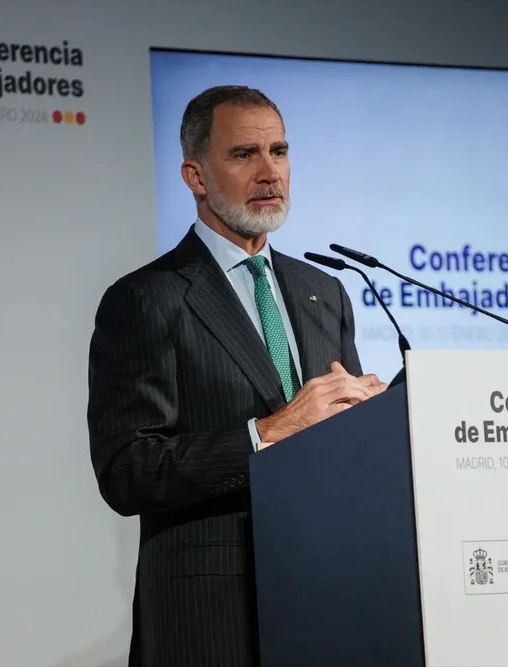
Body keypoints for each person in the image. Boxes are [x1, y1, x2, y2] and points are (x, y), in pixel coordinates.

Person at [86, 85, 386, 667]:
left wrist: (369, 422)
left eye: (279, 151)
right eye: (244, 155)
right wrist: (267, 434)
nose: (270, 172)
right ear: (195, 176)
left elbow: (337, 449)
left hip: (330, 599)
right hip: (211, 616)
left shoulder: (324, 291)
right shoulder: (146, 300)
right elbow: (127, 471)